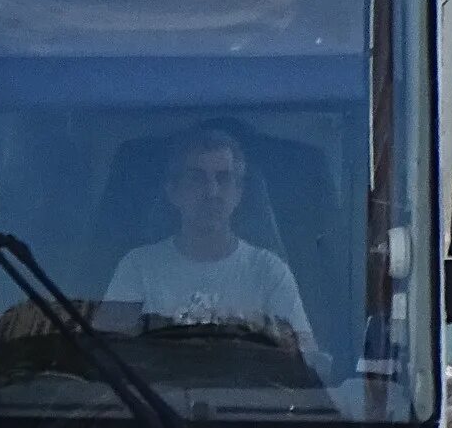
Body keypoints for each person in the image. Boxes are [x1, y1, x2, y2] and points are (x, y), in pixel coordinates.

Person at [101, 124, 316, 352]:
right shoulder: (137, 269)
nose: (212, 192)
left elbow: (306, 362)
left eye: (223, 179)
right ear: (173, 191)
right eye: (197, 179)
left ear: (239, 192)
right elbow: (107, 355)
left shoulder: (270, 274)